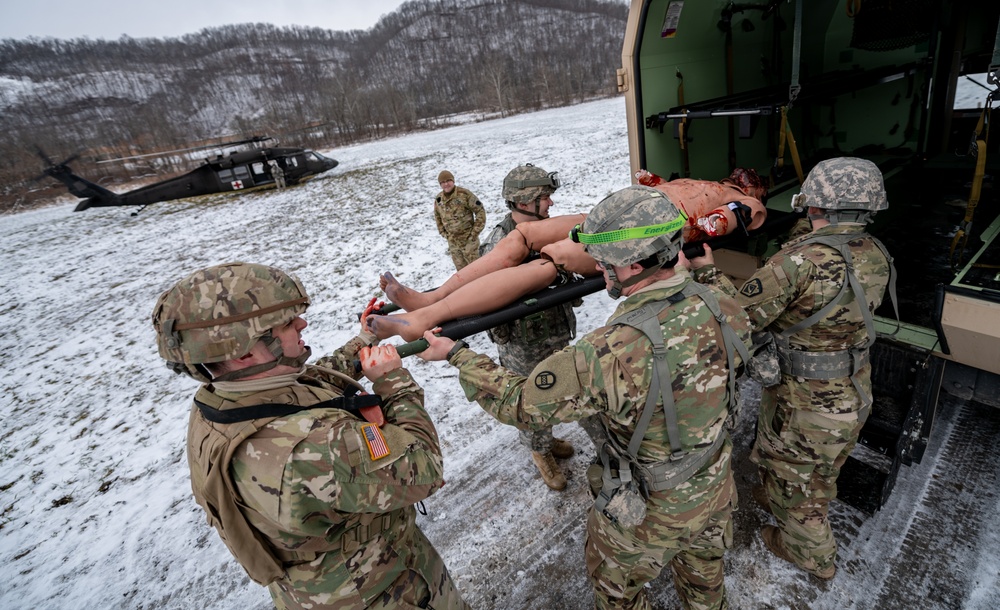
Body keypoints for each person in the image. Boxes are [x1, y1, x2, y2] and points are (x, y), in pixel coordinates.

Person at [418, 185, 752, 610]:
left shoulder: (608, 351)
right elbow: (730, 310)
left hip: (653, 510)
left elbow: (522, 404)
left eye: (605, 261)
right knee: (706, 582)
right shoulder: (723, 298)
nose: (598, 267)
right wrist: (704, 272)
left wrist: (458, 355)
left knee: (619, 593)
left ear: (633, 264)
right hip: (716, 485)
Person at [150, 262, 468, 610]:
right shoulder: (314, 447)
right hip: (380, 590)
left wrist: (365, 340)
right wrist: (394, 382)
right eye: (287, 323)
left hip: (317, 588)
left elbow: (311, 382)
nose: (301, 324)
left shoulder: (224, 400)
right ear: (242, 352)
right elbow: (424, 469)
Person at [723, 157, 894, 580]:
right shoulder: (876, 252)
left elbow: (738, 317)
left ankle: (812, 555)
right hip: (851, 388)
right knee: (817, 470)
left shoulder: (797, 264)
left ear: (812, 205)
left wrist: (709, 273)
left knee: (800, 489)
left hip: (806, 402)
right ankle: (777, 493)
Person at [370, 168, 767, 342]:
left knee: (553, 259)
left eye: (747, 181)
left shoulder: (748, 204)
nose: (740, 178)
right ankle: (431, 297)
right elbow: (675, 192)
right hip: (623, 209)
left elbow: (713, 225)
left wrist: (715, 217)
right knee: (525, 234)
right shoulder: (713, 182)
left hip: (638, 232)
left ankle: (424, 317)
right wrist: (657, 183)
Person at [480, 164, 579, 491]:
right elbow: (490, 295)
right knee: (532, 399)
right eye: (545, 198)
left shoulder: (548, 230)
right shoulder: (500, 243)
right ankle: (540, 452)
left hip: (554, 330)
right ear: (525, 201)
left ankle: (546, 441)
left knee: (557, 389)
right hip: (523, 343)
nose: (551, 204)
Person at [434, 170, 486, 271]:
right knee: (462, 273)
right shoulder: (439, 199)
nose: (446, 184)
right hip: (453, 243)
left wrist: (474, 233)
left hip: (469, 241)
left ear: (453, 181)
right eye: (442, 182)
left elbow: (480, 211)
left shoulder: (464, 194)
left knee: (478, 270)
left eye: (448, 181)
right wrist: (444, 233)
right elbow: (437, 216)